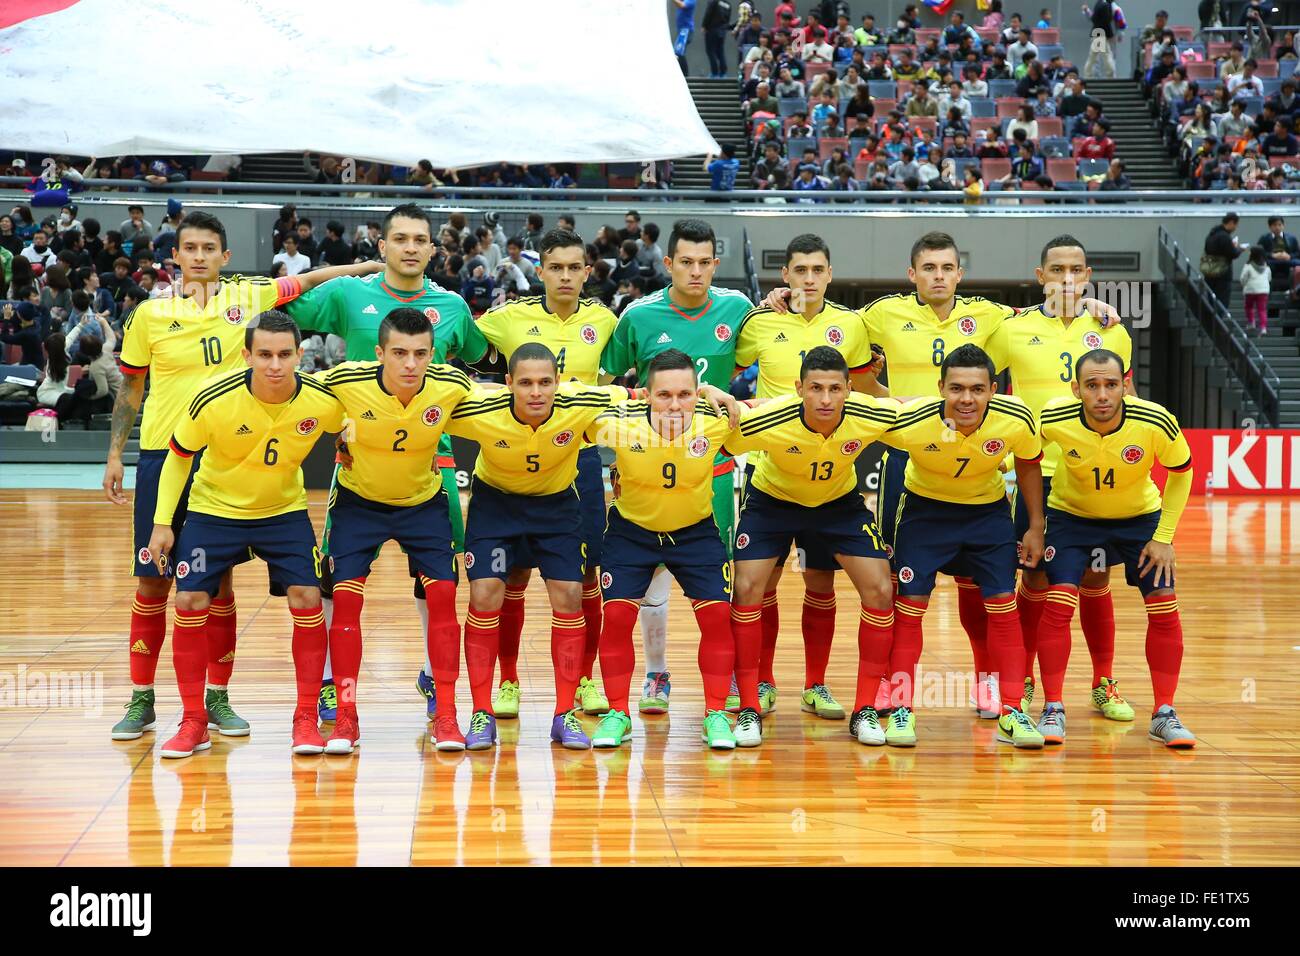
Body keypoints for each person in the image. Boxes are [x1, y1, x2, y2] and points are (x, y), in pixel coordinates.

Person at [102, 212, 378, 742]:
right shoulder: (149, 315)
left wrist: (372, 263)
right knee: (153, 580)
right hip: (167, 454)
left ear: (225, 257)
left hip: (227, 455)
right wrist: (116, 454)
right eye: (190, 248)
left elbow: (317, 277)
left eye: (210, 248)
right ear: (176, 257)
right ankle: (141, 698)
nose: (200, 256)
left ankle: (216, 699)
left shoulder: (250, 297)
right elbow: (130, 389)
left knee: (215, 582)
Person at [286, 203, 488, 722]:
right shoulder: (351, 294)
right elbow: (287, 309)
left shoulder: (452, 306)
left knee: (436, 579)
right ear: (383, 246)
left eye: (421, 239)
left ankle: (431, 674)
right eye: (400, 238)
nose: (411, 247)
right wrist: (347, 270)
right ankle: (331, 681)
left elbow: (479, 359)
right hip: (359, 459)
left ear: (432, 248)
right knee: (336, 574)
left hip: (429, 458)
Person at [145, 311, 346, 758]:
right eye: (265, 355)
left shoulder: (322, 400)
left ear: (300, 354)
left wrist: (349, 440)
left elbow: (354, 422)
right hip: (214, 511)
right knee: (189, 600)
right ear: (247, 355)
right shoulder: (212, 399)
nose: (275, 365)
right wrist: (162, 524)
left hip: (283, 512)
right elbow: (179, 456)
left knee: (308, 598)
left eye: (285, 355)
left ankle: (305, 719)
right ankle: (194, 721)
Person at [600, 218, 753, 714]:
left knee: (717, 581)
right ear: (668, 264)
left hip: (711, 464)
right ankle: (655, 674)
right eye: (685, 262)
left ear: (715, 263)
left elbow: (768, 352)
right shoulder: (639, 316)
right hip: (646, 463)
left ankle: (726, 679)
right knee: (651, 580)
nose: (695, 271)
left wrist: (775, 306)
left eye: (704, 262)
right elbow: (605, 381)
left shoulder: (738, 309)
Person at [730, 236, 883, 719]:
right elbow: (720, 368)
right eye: (800, 270)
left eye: (818, 270)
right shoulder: (759, 321)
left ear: (830, 274)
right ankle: (764, 682)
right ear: (787, 276)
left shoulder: (851, 325)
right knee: (762, 585)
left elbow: (863, 392)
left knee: (821, 584)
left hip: (832, 478)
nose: (809, 279)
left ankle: (816, 685)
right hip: (772, 474)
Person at [314, 309, 480, 752]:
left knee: (444, 597)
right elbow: (291, 395)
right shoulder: (345, 380)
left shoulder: (452, 386)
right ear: (380, 353)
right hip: (358, 503)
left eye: (421, 354)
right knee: (345, 600)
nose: (410, 364)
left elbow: (502, 400)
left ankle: (446, 715)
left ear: (433, 354)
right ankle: (346, 716)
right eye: (400, 353)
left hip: (422, 504)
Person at [985, 236, 1136, 720]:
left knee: (1096, 579)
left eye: (1075, 270)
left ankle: (1103, 682)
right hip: (1037, 476)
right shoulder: (1013, 329)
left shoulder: (1112, 329)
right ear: (1040, 276)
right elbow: (976, 383)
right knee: (1033, 577)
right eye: (1057, 270)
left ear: (1088, 275)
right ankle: (1025, 679)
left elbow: (1126, 398)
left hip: (1095, 475)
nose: (1066, 279)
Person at [472, 229, 621, 720]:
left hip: (577, 461)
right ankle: (508, 680)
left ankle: (583, 679)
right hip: (514, 457)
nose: (564, 276)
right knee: (509, 574)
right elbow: (459, 339)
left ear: (586, 272)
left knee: (586, 576)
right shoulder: (508, 318)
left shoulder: (605, 321)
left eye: (574, 267)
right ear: (541, 271)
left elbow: (623, 383)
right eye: (555, 267)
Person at [722, 347, 898, 748]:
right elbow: (718, 430)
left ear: (849, 390)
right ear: (798, 387)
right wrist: (719, 395)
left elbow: (911, 406)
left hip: (838, 504)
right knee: (748, 588)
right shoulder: (771, 417)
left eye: (835, 389)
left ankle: (860, 707)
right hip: (773, 502)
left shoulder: (868, 412)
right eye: (815, 388)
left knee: (880, 589)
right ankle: (751, 704)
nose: (825, 398)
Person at [879, 344, 1047, 748]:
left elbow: (1028, 462)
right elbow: (850, 417)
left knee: (1002, 609)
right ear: (940, 388)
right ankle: (901, 708)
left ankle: (1012, 710)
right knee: (910, 610)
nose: (966, 399)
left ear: (993, 389)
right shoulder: (911, 420)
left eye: (976, 388)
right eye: (956, 388)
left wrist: (1036, 525)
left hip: (987, 517)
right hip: (925, 516)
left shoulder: (1016, 418)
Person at [1037, 351, 1196, 748]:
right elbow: (1023, 454)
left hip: (1138, 519)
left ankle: (1164, 713)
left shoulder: (1154, 419)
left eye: (1111, 384)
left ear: (1126, 384)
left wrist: (1164, 537)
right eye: (1092, 386)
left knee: (1163, 599)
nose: (1102, 394)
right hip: (1072, 517)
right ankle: (1052, 706)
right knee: (1059, 602)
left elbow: (1182, 472)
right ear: (1077, 390)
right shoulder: (1054, 416)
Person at [587, 349, 740, 748]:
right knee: (616, 617)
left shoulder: (718, 422)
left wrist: (713, 390)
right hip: (631, 534)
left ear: (697, 395)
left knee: (718, 617)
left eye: (686, 395)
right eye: (664, 395)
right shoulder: (616, 425)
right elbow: (570, 399)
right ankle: (617, 714)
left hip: (695, 534)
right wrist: (621, 396)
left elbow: (777, 408)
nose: (675, 405)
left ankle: (716, 714)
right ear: (648, 395)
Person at [1201, 212, 1245, 307]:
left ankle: (1211, 320)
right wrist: (1239, 249)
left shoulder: (1212, 234)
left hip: (1209, 271)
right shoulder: (1224, 237)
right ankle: (1218, 321)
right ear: (1231, 222)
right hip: (1222, 273)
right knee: (1222, 302)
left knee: (1211, 300)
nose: (1235, 228)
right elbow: (1232, 254)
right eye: (1236, 225)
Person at [1257, 216, 1300, 286]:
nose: (1277, 227)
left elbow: (1298, 253)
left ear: (1283, 226)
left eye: (1279, 225)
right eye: (1274, 225)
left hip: (1288, 260)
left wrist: (1289, 256)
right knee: (1263, 265)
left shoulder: (1292, 238)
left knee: (1298, 263)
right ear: (1270, 227)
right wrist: (1272, 255)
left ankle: (1296, 290)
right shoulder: (1264, 238)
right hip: (1272, 261)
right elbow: (1259, 253)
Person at [1240, 246, 1272, 334]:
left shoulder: (1248, 266)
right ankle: (1263, 327)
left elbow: (1243, 278)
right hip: (1263, 291)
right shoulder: (1267, 267)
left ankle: (1251, 323)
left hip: (1250, 290)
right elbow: (1269, 278)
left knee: (1249, 307)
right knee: (1262, 309)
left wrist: (1244, 285)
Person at [673, 0, 698, 75]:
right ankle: (684, 74)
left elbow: (682, 5)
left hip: (686, 30)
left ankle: (685, 74)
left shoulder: (691, 0)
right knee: (679, 52)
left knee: (679, 52)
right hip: (682, 30)